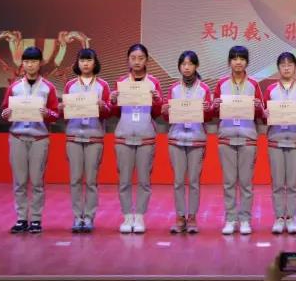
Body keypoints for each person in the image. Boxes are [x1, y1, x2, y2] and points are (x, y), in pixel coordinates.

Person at [0, 45, 60, 234]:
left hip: (39, 139)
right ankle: (21, 219)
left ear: (40, 63)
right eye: (26, 61)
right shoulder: (14, 87)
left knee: (37, 181)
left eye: (33, 61)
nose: (30, 65)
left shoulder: (48, 87)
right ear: (22, 64)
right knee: (19, 181)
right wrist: (6, 114)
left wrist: (47, 113)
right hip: (17, 137)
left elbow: (56, 114)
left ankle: (35, 219)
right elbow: (4, 111)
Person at [109, 43, 163, 234]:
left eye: (141, 58)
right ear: (128, 60)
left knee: (144, 181)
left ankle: (139, 216)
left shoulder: (153, 82)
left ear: (147, 60)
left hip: (145, 136)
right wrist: (113, 101)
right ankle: (126, 217)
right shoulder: (121, 82)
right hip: (124, 136)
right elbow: (115, 112)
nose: (137, 62)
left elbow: (157, 113)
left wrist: (157, 101)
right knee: (124, 180)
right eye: (133, 58)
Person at [212, 45, 265, 235]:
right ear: (229, 62)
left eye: (242, 58)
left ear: (247, 62)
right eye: (234, 58)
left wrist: (258, 107)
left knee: (246, 183)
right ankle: (230, 219)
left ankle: (245, 220)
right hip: (226, 137)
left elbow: (262, 113)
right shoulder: (221, 84)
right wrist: (215, 105)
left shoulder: (253, 84)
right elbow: (213, 112)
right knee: (228, 182)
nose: (238, 62)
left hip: (248, 137)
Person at [161, 51, 213, 234]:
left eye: (190, 64)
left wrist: (208, 110)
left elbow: (209, 116)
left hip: (197, 139)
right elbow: (167, 116)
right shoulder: (174, 89)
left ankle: (192, 217)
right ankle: (180, 216)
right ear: (179, 67)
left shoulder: (204, 89)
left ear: (196, 66)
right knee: (178, 181)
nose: (187, 67)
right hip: (176, 138)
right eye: (183, 64)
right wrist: (165, 110)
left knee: (194, 181)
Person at [60, 48, 111, 233]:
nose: (85, 64)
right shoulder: (70, 85)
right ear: (77, 63)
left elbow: (109, 112)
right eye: (82, 60)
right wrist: (61, 108)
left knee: (91, 180)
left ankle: (89, 216)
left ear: (94, 63)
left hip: (94, 136)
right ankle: (77, 216)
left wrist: (103, 106)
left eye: (89, 60)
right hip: (74, 136)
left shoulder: (103, 85)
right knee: (75, 179)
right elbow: (64, 114)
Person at [264, 52, 296, 234]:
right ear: (278, 68)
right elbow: (263, 114)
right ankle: (278, 218)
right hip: (275, 140)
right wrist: (265, 114)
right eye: (283, 65)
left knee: (292, 183)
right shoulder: (270, 90)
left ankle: (290, 217)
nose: (286, 68)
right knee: (277, 182)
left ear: (295, 67)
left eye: (289, 65)